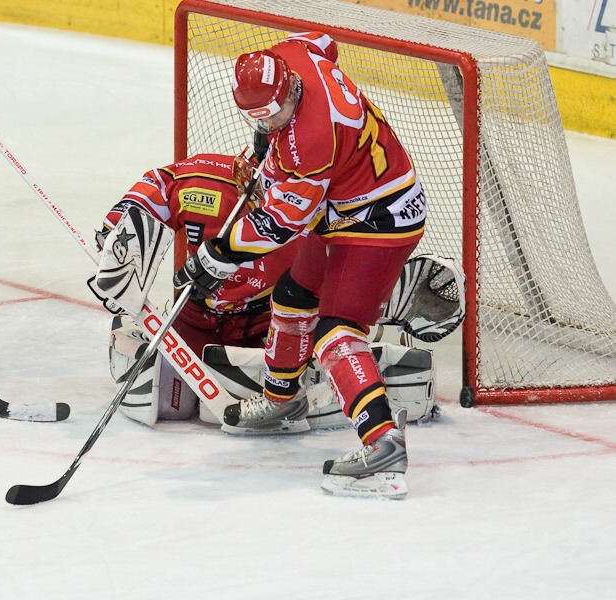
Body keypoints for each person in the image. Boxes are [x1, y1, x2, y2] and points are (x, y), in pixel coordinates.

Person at [174, 31, 427, 498]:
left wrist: (218, 254)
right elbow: (324, 42)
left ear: (290, 90)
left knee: (336, 330)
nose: (269, 123)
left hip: (378, 218)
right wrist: (266, 135)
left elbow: (280, 224)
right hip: (344, 202)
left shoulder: (311, 142)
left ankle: (384, 442)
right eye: (258, 117)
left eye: (273, 114)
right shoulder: (291, 54)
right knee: (292, 295)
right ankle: (283, 403)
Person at [99, 148, 304, 422]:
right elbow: (159, 185)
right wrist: (116, 234)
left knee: (266, 400)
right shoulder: (206, 179)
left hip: (264, 321)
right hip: (196, 314)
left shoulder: (311, 211)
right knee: (169, 404)